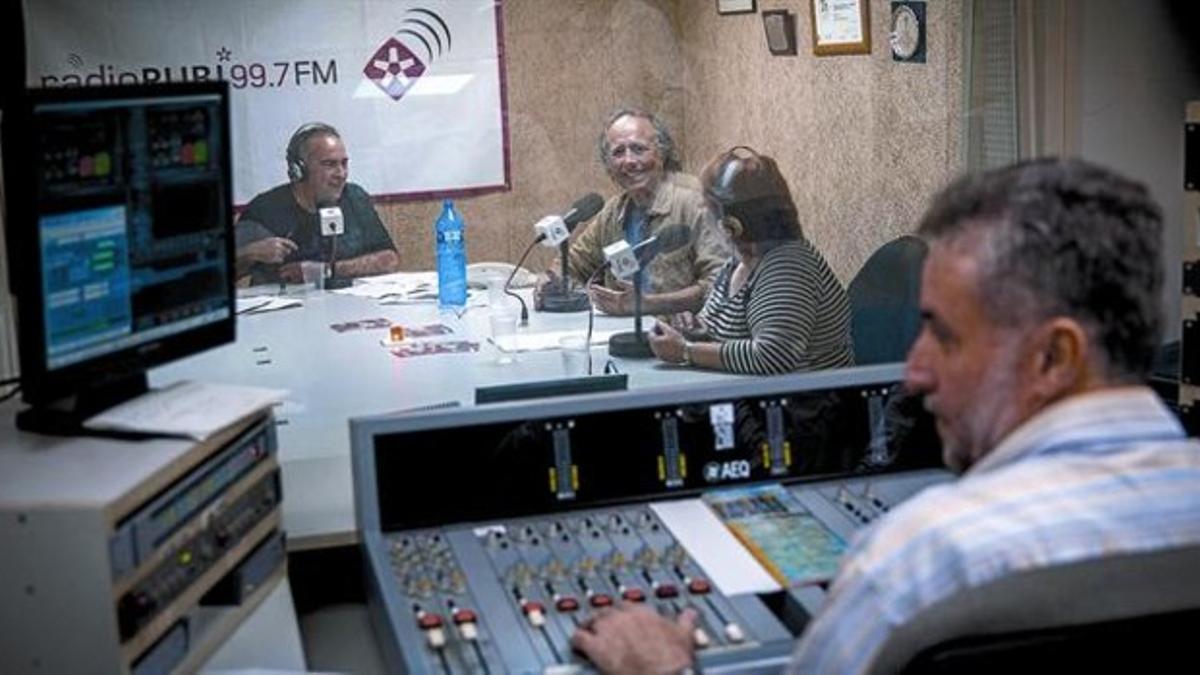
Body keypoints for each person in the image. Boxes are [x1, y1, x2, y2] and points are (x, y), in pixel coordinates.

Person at [571, 158, 1200, 673]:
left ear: (1054, 357)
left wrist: (663, 671)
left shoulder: (917, 562)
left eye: (943, 335)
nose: (915, 370)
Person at [647, 147, 853, 375]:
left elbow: (772, 357)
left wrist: (686, 351)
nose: (703, 212)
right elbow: (723, 327)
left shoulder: (787, 269)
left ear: (732, 223)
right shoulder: (740, 260)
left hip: (800, 405)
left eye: (708, 206)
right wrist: (697, 328)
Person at [538, 108, 729, 315]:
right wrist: (549, 281)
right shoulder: (614, 211)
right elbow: (573, 264)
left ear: (661, 153)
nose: (628, 161)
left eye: (638, 149)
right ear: (609, 165)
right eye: (618, 152)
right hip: (619, 334)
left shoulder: (696, 203)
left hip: (681, 339)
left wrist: (650, 304)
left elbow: (720, 285)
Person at [235, 122, 400, 285]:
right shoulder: (265, 209)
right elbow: (218, 277)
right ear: (298, 170)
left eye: (344, 163)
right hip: (289, 309)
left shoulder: (355, 198)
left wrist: (325, 271)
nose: (341, 174)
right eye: (329, 164)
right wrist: (249, 254)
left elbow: (390, 260)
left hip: (347, 307)